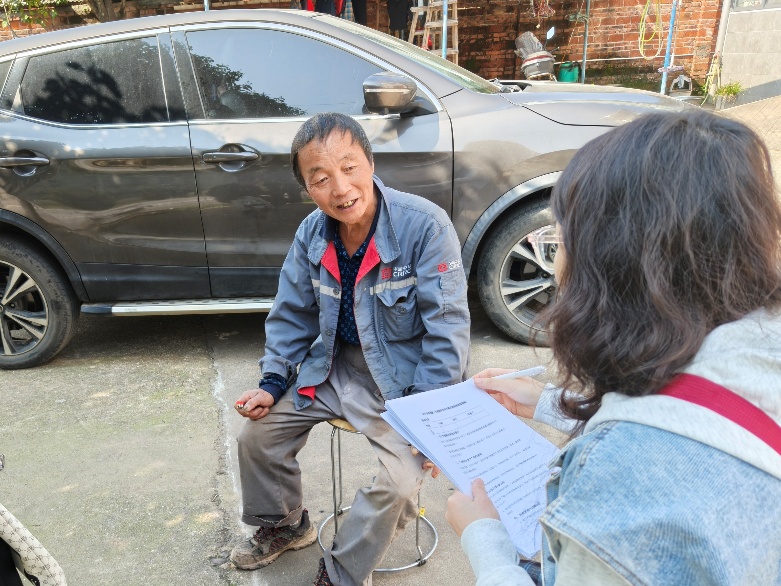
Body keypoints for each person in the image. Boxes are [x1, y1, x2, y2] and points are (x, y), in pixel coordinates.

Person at [445, 109, 781, 586]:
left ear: (607, 266)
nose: (556, 263)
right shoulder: (756, 344)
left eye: (560, 239)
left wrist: (486, 542)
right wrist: (549, 402)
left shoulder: (621, 485)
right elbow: (700, 418)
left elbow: (654, 456)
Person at [230, 112, 470, 586]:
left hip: (406, 384)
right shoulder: (311, 233)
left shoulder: (424, 225)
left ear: (371, 163)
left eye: (349, 167)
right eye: (320, 178)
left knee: (400, 482)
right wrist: (272, 382)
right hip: (333, 369)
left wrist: (430, 417)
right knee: (256, 437)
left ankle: (342, 572)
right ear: (307, 188)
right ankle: (285, 525)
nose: (340, 188)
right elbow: (291, 314)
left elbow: (448, 329)